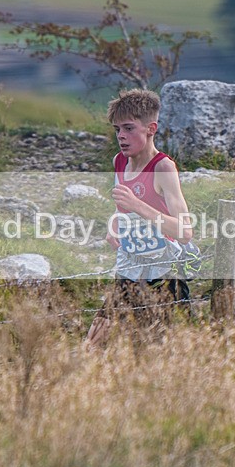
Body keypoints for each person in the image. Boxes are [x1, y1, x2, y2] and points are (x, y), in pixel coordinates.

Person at [85, 88, 194, 349]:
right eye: (117, 129)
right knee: (92, 345)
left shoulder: (163, 167)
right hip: (130, 267)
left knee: (159, 351)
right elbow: (123, 209)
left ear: (151, 128)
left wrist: (139, 206)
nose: (121, 136)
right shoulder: (120, 162)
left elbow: (185, 231)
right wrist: (114, 225)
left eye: (129, 128)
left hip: (164, 273)